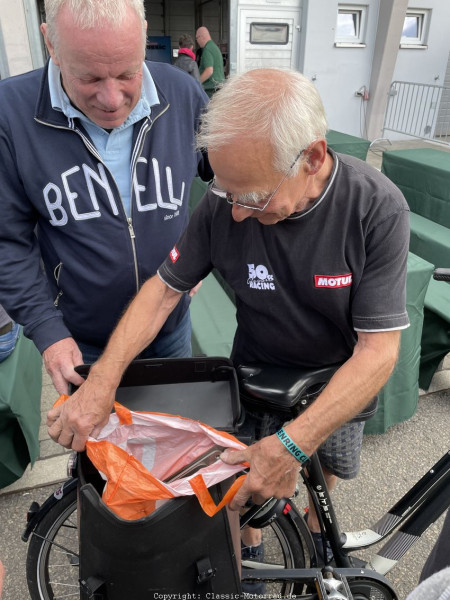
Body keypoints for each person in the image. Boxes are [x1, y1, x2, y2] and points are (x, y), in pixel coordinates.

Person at [47, 68, 410, 563]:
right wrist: (100, 383)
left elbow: (378, 352)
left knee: (330, 466)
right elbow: (161, 292)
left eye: (254, 198)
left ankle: (315, 528)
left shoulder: (376, 208)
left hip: (339, 377)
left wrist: (293, 446)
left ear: (313, 158)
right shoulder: (226, 201)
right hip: (258, 366)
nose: (236, 212)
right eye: (225, 190)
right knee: (243, 483)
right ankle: (255, 552)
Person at [0, 0, 212, 395]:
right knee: (107, 450)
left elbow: (229, 180)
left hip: (170, 327)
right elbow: (6, 242)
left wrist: (202, 251)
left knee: (176, 443)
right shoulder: (9, 114)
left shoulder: (182, 92)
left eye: (128, 72)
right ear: (51, 45)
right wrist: (47, 331)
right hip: (85, 343)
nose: (112, 99)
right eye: (90, 78)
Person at [195, 26, 225, 97]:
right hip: (218, 87)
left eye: (197, 38)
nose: (197, 41)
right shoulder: (214, 47)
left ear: (202, 36)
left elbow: (209, 71)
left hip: (211, 90)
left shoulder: (207, 49)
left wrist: (197, 83)